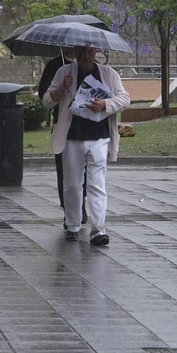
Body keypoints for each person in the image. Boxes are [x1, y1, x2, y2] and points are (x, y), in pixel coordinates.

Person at [43, 45, 130, 247]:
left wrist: (105, 105)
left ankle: (99, 230)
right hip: (72, 137)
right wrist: (61, 89)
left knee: (97, 184)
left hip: (99, 137)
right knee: (72, 184)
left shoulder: (108, 74)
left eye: (90, 52)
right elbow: (46, 101)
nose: (85, 56)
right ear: (74, 52)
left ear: (96, 52)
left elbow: (124, 98)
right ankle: (72, 225)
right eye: (81, 52)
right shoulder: (64, 72)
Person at [36, 47, 84, 225]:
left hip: (86, 127)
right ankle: (69, 210)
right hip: (63, 125)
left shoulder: (89, 65)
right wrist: (62, 88)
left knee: (87, 174)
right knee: (65, 173)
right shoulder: (55, 66)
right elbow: (44, 95)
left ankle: (80, 205)